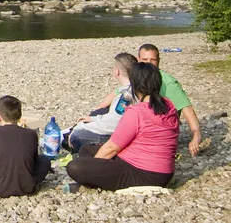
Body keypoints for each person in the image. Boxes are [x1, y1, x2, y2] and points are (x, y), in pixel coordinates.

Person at [66, 62, 179, 191]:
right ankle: (94, 180)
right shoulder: (169, 105)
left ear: (134, 85)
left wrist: (95, 168)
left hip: (143, 173)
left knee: (75, 167)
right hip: (164, 171)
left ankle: (89, 183)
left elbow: (112, 148)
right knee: (86, 150)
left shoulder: (137, 112)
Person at [138, 43, 202, 156]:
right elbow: (116, 94)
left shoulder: (168, 83)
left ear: (159, 61)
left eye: (153, 60)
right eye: (145, 59)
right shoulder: (137, 76)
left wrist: (196, 136)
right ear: (138, 59)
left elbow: (188, 110)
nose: (149, 63)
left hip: (160, 129)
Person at [66, 52, 137, 153]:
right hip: (126, 133)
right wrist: (94, 119)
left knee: (77, 136)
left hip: (119, 140)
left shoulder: (126, 96)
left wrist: (81, 127)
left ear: (117, 71)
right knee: (98, 112)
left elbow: (112, 125)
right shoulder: (135, 89)